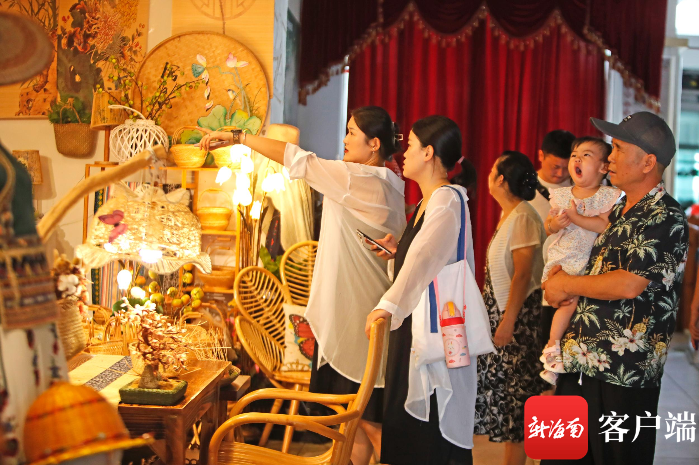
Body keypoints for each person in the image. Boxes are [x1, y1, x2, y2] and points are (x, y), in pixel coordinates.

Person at [199, 107, 406, 464]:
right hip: (366, 314)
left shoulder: (356, 178)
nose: (344, 139)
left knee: (370, 426)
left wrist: (238, 137)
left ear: (374, 144)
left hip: (356, 322)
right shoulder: (388, 184)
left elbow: (296, 158)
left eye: (352, 132)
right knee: (357, 427)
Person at [542, 112, 689, 465]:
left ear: (648, 163)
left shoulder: (665, 216)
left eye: (619, 149)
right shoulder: (619, 207)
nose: (610, 157)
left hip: (624, 372)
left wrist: (565, 284)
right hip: (579, 358)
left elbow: (628, 284)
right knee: (556, 453)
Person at [364, 115, 481, 465]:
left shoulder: (445, 199)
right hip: (421, 325)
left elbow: (424, 260)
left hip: (433, 329)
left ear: (429, 152)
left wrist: (386, 305)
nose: (404, 153)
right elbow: (423, 257)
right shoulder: (429, 202)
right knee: (415, 425)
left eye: (411, 145)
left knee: (429, 427)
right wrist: (397, 251)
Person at [473, 151, 549, 465]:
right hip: (505, 316)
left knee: (516, 407)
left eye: (493, 170)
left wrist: (508, 321)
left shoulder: (523, 217)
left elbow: (522, 274)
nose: (489, 174)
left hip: (518, 320)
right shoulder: (511, 214)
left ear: (501, 179)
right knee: (507, 406)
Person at [538, 137, 621, 384]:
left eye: (586, 155)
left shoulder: (607, 196)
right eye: (575, 154)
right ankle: (552, 349)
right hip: (565, 258)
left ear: (603, 167)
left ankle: (556, 354)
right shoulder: (562, 195)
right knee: (568, 303)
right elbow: (548, 228)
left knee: (574, 306)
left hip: (590, 261)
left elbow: (603, 225)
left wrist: (575, 217)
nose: (577, 159)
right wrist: (556, 223)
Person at [530, 130, 576, 222]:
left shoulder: (583, 185)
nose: (560, 173)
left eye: (567, 168)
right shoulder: (523, 189)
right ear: (541, 155)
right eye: (555, 167)